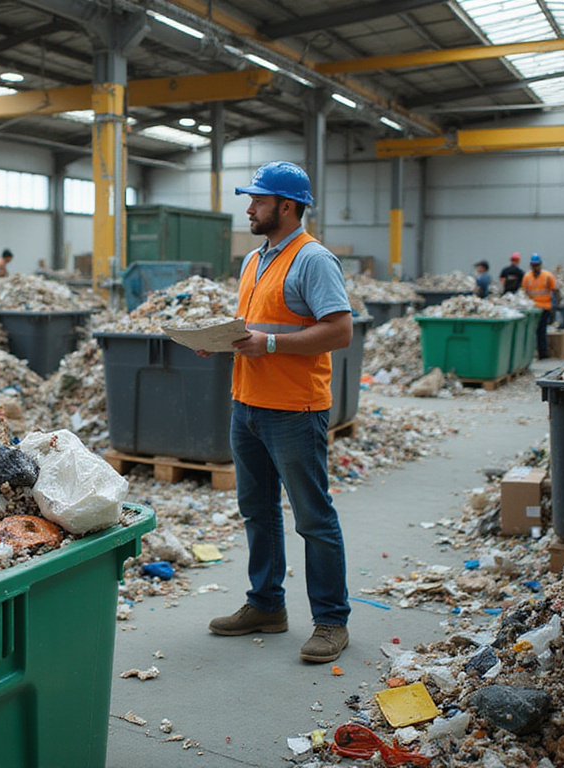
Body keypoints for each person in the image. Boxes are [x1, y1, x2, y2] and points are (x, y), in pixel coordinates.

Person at [201, 161, 353, 664]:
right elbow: (251, 330)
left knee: (313, 517)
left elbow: (339, 331)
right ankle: (266, 604)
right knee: (257, 512)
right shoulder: (253, 260)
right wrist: (217, 341)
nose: (249, 208)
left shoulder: (313, 260)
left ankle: (331, 621)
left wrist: (267, 343)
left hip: (293, 408)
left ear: (287, 207)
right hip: (246, 405)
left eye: (259, 201)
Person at [521, 254, 560, 359]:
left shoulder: (547, 276)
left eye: (537, 265)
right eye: (533, 265)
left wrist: (555, 306)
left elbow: (555, 290)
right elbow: (523, 292)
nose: (535, 268)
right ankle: (530, 353)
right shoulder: (527, 277)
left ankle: (543, 353)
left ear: (540, 265)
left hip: (544, 307)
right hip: (532, 308)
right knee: (531, 331)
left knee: (541, 331)